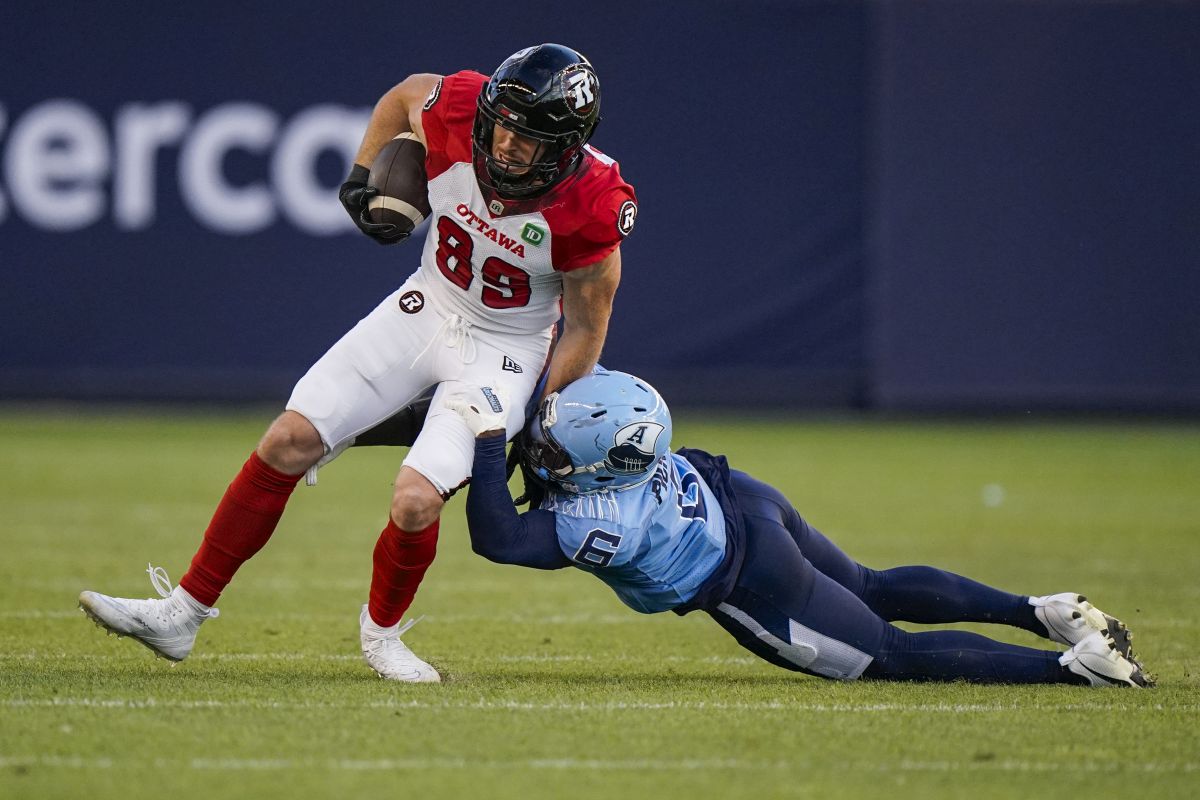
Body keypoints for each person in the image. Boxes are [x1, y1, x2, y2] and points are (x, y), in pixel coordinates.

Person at [78, 43, 637, 683]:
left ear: (564, 147)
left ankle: (383, 638)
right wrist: (362, 170)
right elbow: (405, 95)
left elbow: (587, 329)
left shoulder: (593, 203)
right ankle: (182, 613)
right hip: (428, 303)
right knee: (288, 438)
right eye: (502, 123)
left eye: (528, 135)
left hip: (506, 349)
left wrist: (545, 419)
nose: (506, 143)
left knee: (415, 500)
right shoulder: (457, 106)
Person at [445, 371, 1153, 687]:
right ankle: (1041, 612)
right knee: (872, 585)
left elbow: (499, 538)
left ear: (606, 466)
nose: (541, 455)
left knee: (892, 655)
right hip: (746, 500)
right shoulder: (625, 435)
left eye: (554, 450)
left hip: (750, 580)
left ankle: (1073, 668)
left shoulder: (599, 518)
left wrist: (484, 441)